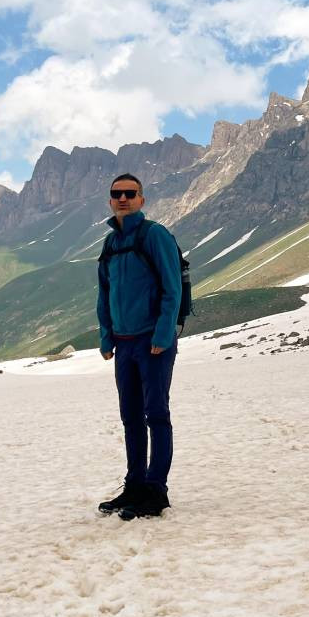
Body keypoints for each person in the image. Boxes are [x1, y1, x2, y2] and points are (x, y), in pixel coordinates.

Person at [96, 173, 183, 520]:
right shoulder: (110, 243)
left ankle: (155, 490)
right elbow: (103, 294)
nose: (123, 199)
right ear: (110, 200)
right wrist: (106, 336)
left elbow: (171, 287)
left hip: (152, 343)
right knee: (131, 417)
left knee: (156, 415)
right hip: (124, 344)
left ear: (141, 200)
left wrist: (163, 336)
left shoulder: (155, 235)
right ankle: (134, 485)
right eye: (116, 194)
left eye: (130, 194)